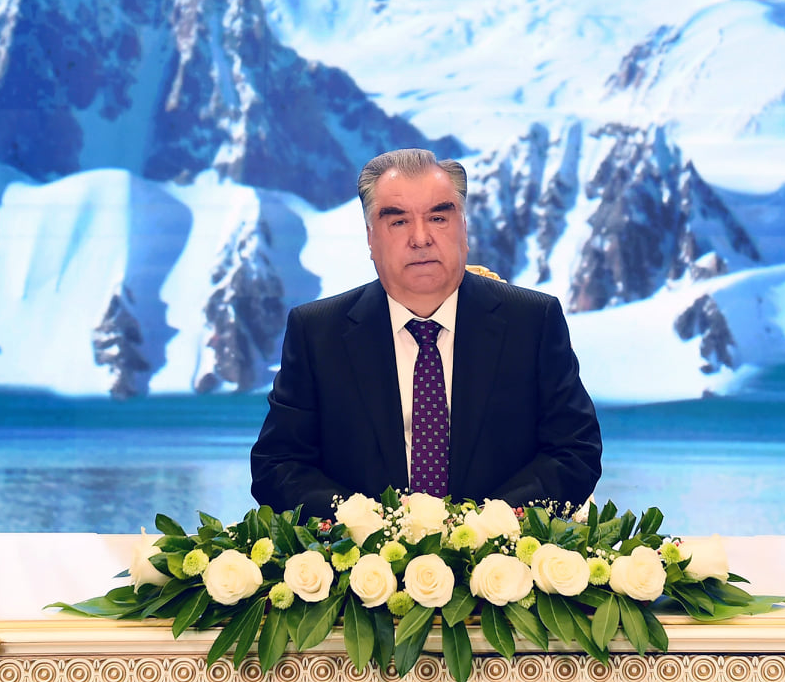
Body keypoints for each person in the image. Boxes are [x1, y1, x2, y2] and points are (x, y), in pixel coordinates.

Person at [250, 148, 602, 520]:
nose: (421, 238)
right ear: (371, 238)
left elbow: (574, 453)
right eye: (399, 222)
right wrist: (367, 523)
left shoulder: (531, 322)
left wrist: (485, 523)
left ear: (463, 229)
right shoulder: (318, 333)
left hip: (499, 548)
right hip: (363, 552)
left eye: (438, 218)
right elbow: (279, 466)